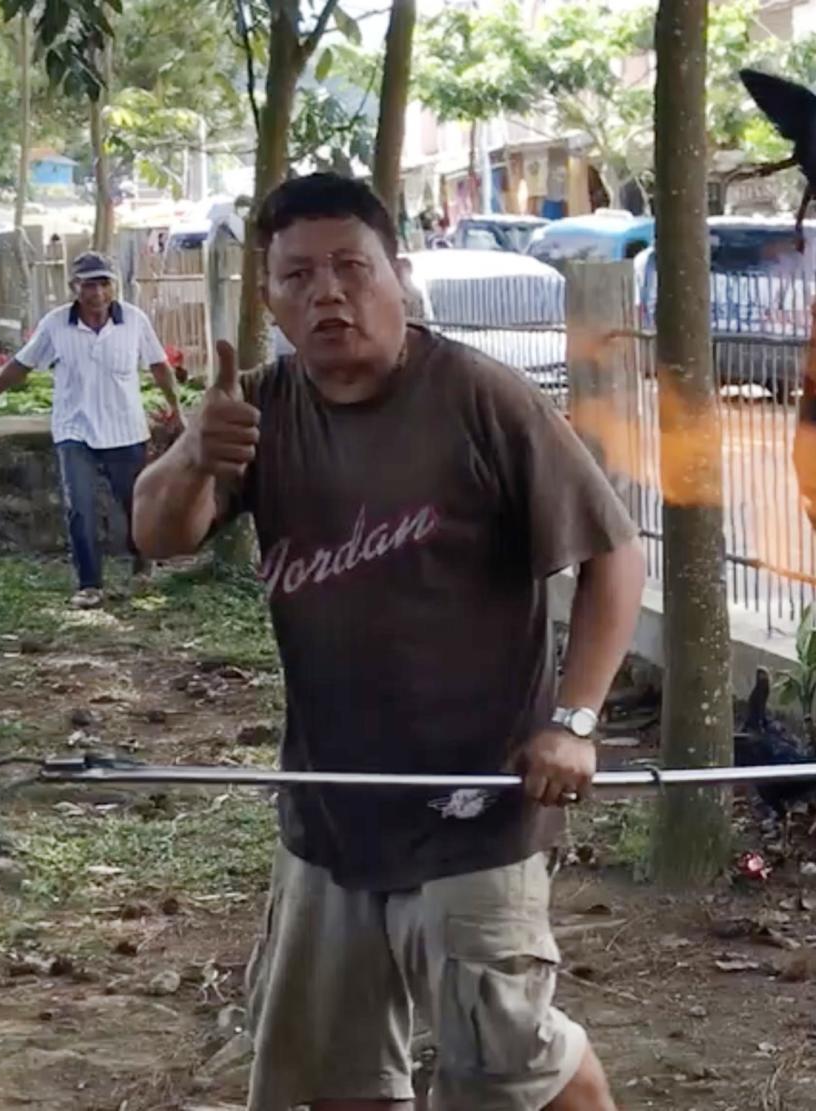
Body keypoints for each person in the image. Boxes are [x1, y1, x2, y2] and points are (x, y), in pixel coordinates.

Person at [133, 173, 645, 1110]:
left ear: (397, 274)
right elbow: (158, 533)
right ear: (271, 298)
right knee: (335, 1077)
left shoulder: (483, 399)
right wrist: (194, 454)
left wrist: (574, 719)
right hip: (330, 811)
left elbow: (615, 556)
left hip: (477, 810)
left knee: (512, 1062)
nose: (327, 292)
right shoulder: (255, 411)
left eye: (350, 267)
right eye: (298, 275)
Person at [0, 251, 184, 610]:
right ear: (74, 288)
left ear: (115, 286)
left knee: (136, 503)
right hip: (73, 429)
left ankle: (143, 566)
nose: (97, 293)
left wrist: (177, 407)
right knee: (79, 507)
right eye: (88, 284)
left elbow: (158, 366)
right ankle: (90, 584)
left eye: (104, 283)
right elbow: (20, 367)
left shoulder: (135, 322)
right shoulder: (56, 324)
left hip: (125, 428)